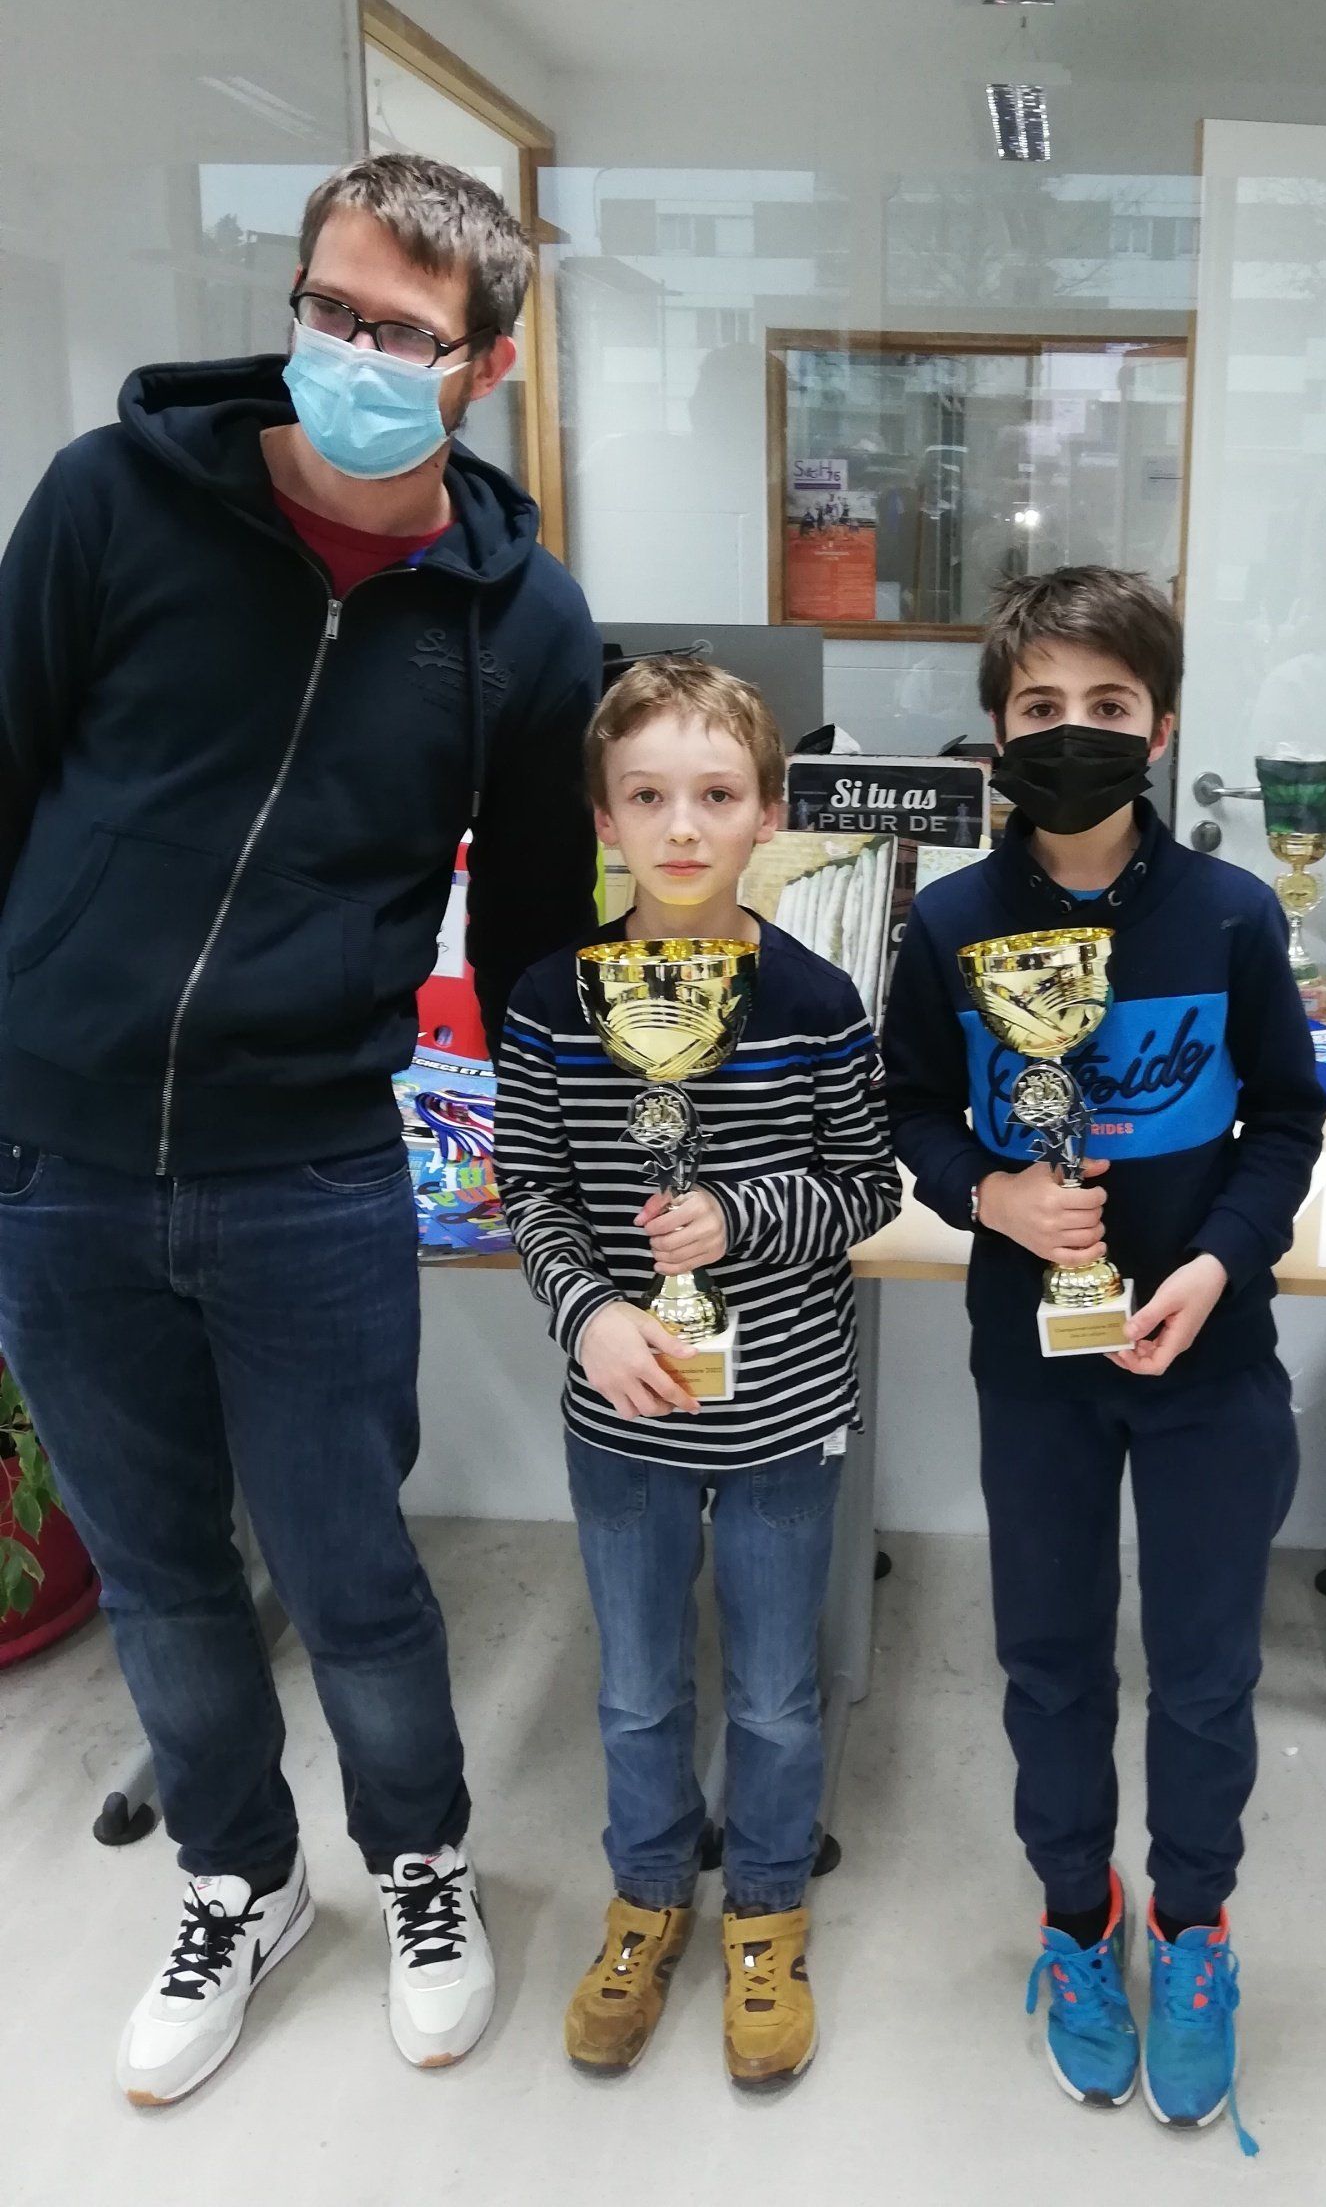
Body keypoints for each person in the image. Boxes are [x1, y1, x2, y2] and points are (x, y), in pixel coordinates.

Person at [0, 153, 603, 2104]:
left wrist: (575, 1137)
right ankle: (239, 1880)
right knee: (160, 1567)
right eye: (328, 308)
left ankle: (421, 1864)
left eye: (399, 332)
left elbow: (535, 926)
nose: (347, 350)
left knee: (352, 1573)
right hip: (61, 1157)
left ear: (480, 366)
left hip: (315, 1166)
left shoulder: (522, 621)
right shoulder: (113, 503)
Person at [882, 567, 1326, 2152]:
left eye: (1110, 705)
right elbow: (910, 1104)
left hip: (1210, 1359)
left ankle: (1194, 1925)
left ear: (1164, 725)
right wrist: (987, 1192)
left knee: (1206, 1671)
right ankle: (1080, 1918)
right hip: (1040, 1367)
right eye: (1042, 707)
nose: (1075, 731)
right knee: (1051, 1658)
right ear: (998, 734)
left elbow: (1287, 1117)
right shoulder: (950, 922)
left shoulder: (1233, 914)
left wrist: (1219, 1261)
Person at [493, 657, 898, 2090]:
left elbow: (867, 1187)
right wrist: (593, 1317)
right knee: (638, 1691)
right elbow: (532, 1189)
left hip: (785, 1414)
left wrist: (744, 1218)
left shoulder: (819, 1001)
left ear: (767, 815)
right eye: (648, 796)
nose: (682, 827)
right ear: (604, 818)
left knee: (779, 1693)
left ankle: (768, 1907)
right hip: (624, 1415)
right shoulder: (549, 1002)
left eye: (716, 795)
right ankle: (650, 1894)